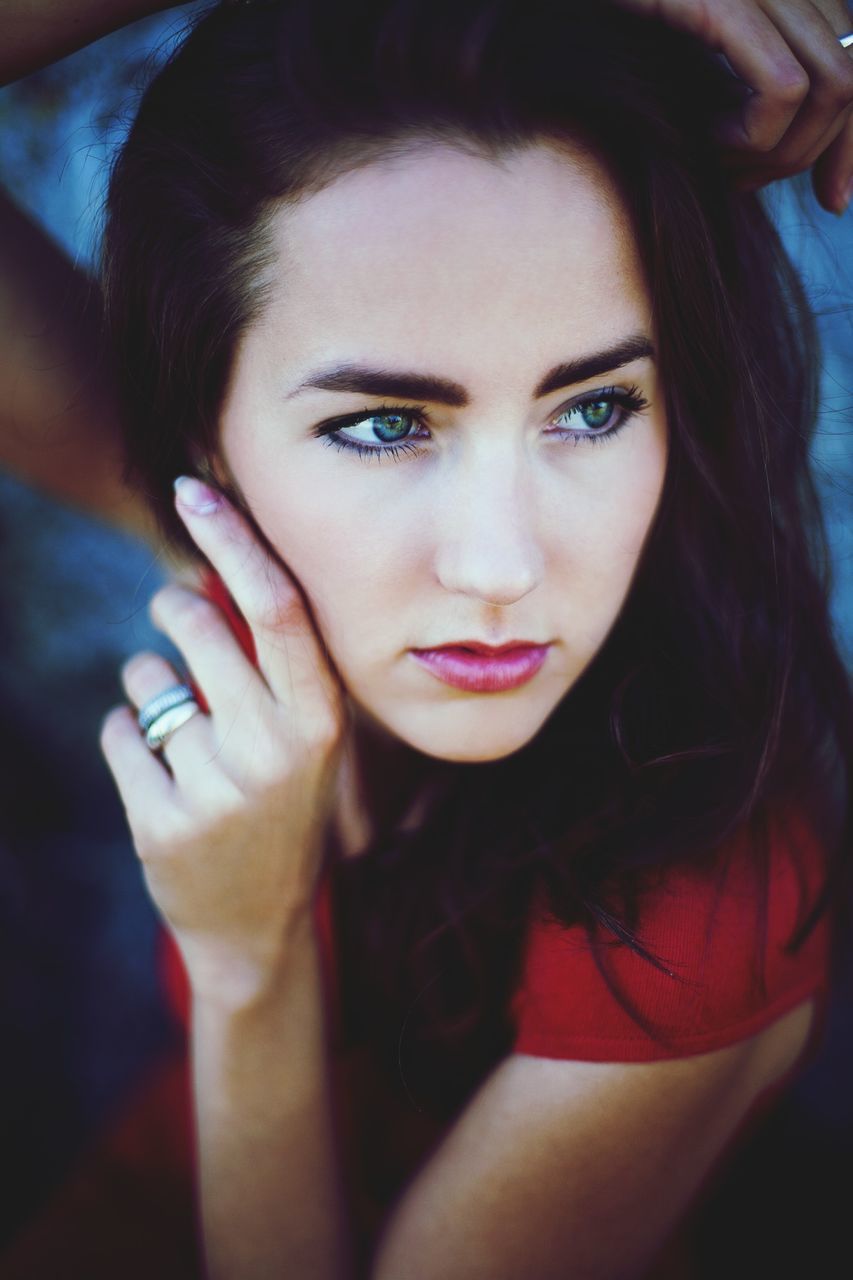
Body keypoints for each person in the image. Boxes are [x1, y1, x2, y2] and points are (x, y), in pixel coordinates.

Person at [1, 1, 852, 1277]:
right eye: (385, 426)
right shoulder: (232, 531)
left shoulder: (692, 905)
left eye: (596, 405)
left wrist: (249, 961)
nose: (502, 566)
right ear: (203, 433)